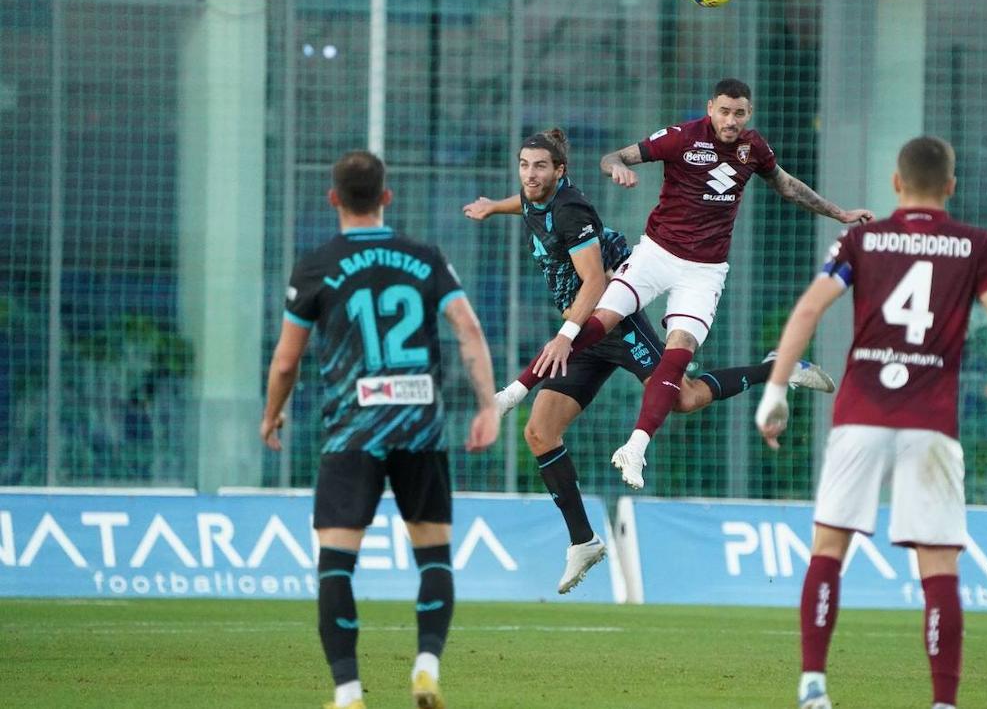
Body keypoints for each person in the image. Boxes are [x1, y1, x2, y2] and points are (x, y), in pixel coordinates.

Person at [462, 128, 836, 593]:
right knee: (539, 432)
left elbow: (595, 283)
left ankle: (778, 368)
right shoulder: (536, 195)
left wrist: (567, 334)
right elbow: (526, 202)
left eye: (539, 166)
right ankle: (584, 541)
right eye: (524, 165)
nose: (529, 175)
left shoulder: (571, 210)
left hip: (607, 324)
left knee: (684, 399)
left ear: (560, 171)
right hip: (580, 332)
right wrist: (493, 207)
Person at [492, 79, 874, 489]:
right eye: (724, 111)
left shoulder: (754, 149)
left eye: (739, 113)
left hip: (704, 271)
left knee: (679, 357)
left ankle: (636, 447)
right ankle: (512, 394)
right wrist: (617, 167)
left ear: (749, 114)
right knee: (598, 321)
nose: (731, 120)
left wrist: (839, 213)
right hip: (655, 255)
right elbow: (613, 156)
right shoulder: (680, 138)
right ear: (710, 109)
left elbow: (786, 184)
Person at [754, 136, 987, 709]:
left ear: (896, 183)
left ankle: (812, 687)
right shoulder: (976, 244)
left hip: (861, 414)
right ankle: (944, 702)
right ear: (950, 186)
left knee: (829, 548)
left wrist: (775, 390)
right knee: (938, 565)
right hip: (930, 423)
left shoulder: (863, 238)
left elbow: (809, 308)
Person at [260, 150, 498, 709]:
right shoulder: (425, 257)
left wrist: (272, 414)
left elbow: (287, 362)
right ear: (387, 197)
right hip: (420, 431)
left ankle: (348, 693)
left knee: (336, 564)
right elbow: (467, 328)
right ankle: (426, 669)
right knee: (433, 556)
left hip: (353, 434)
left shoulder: (316, 266)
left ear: (333, 199)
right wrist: (487, 406)